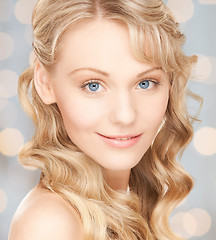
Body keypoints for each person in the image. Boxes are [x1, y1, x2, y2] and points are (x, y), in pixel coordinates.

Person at [8, 0, 200, 239]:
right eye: (93, 85)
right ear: (45, 83)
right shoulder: (49, 223)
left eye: (145, 83)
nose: (125, 115)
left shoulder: (128, 203)